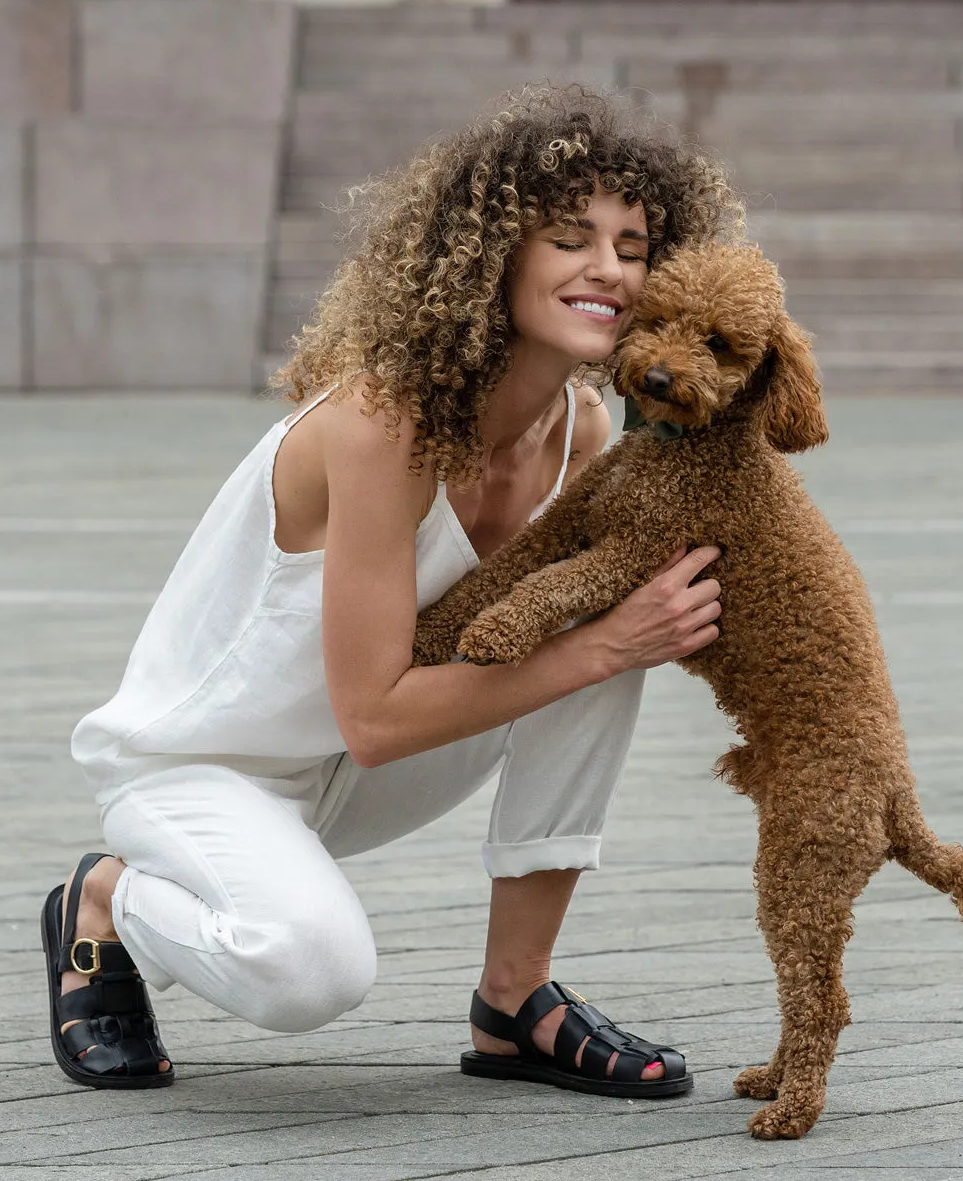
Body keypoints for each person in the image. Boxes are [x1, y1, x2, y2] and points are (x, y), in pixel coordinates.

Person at [42, 85, 741, 1098]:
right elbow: (372, 716)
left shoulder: (583, 433)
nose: (609, 270)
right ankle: (106, 898)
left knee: (601, 599)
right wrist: (609, 645)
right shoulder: (384, 423)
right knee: (311, 973)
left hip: (358, 769)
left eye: (633, 248)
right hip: (207, 775)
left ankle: (517, 1000)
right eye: (570, 239)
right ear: (492, 252)